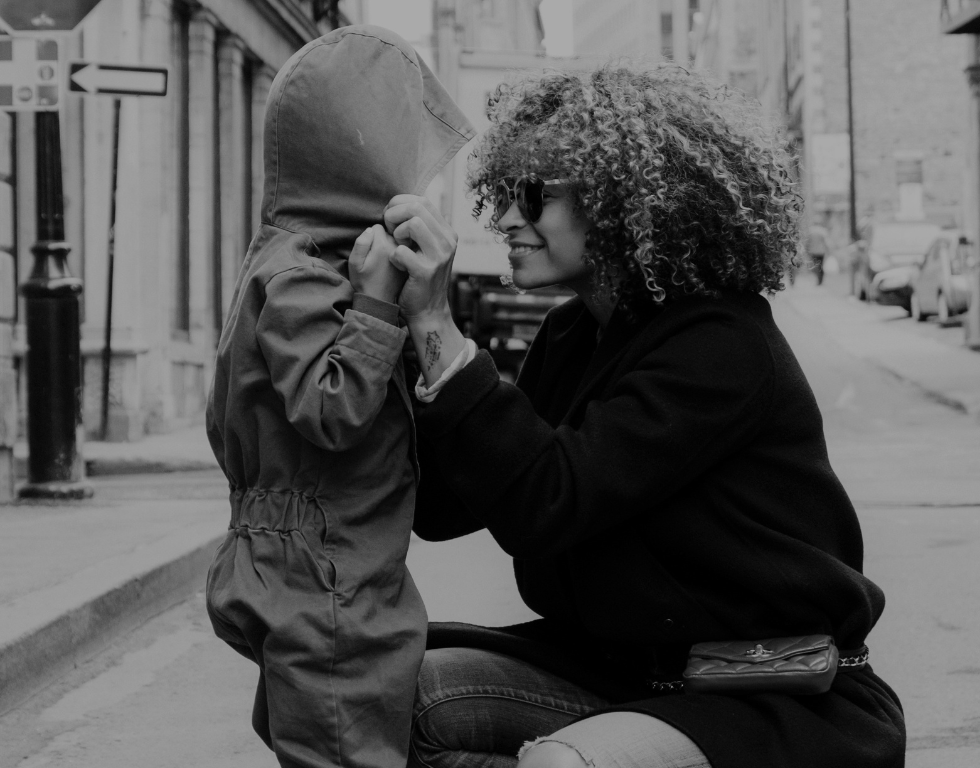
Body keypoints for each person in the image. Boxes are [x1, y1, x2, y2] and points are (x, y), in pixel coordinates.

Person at [380, 62, 906, 768]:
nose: (505, 218)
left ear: (621, 203)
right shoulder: (572, 337)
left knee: (561, 766)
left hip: (768, 695)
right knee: (373, 700)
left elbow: (548, 500)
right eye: (504, 193)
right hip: (623, 675)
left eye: (534, 195)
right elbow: (448, 506)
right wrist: (393, 332)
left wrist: (439, 325)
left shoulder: (721, 345)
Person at [204, 26, 474, 768]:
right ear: (359, 158)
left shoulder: (297, 258)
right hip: (326, 575)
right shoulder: (304, 272)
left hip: (313, 564)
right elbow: (333, 409)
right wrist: (378, 305)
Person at [806, 220, 832, 286]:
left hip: (813, 251)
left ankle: (818, 279)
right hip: (821, 251)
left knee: (815, 265)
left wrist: (807, 250)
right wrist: (828, 250)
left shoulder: (810, 231)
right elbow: (826, 242)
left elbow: (807, 242)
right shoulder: (823, 231)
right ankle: (820, 280)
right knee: (820, 266)